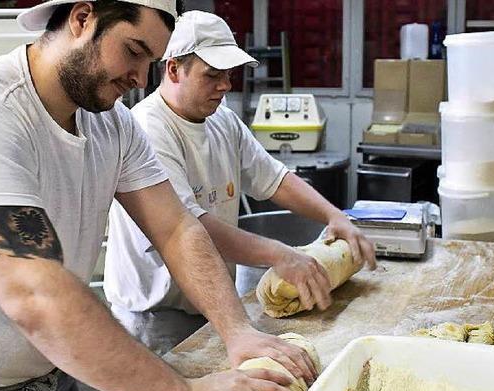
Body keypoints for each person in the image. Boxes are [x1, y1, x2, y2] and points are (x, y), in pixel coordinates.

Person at [0, 2, 318, 391]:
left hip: (54, 375)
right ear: (82, 19)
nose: (140, 79)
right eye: (134, 51)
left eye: (151, 61)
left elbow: (176, 228)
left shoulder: (113, 125)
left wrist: (238, 331)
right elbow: (34, 293)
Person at [105, 11, 377, 349]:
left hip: (212, 301)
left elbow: (274, 179)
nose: (226, 85)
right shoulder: (147, 129)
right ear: (174, 69)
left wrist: (334, 215)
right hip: (156, 318)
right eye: (213, 75)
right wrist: (280, 255)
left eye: (229, 75)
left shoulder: (223, 121)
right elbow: (190, 227)